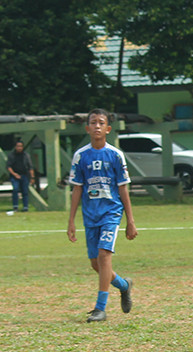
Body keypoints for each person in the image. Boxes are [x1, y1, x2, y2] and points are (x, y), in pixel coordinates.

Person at [66, 109, 137, 323]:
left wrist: (130, 220)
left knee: (104, 256)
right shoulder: (81, 156)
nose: (97, 126)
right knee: (96, 264)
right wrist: (71, 221)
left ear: (108, 129)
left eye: (101, 122)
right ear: (87, 128)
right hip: (90, 215)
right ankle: (124, 285)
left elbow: (123, 188)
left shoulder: (115, 155)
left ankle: (100, 308)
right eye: (93, 122)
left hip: (111, 213)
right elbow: (77, 188)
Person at [6, 140, 35, 213]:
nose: (19, 148)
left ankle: (25, 207)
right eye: (18, 146)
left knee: (25, 191)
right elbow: (8, 166)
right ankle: (15, 207)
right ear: (15, 147)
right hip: (15, 176)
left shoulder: (26, 155)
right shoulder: (11, 155)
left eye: (21, 146)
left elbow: (30, 167)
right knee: (15, 189)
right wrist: (14, 174)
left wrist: (32, 177)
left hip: (25, 175)